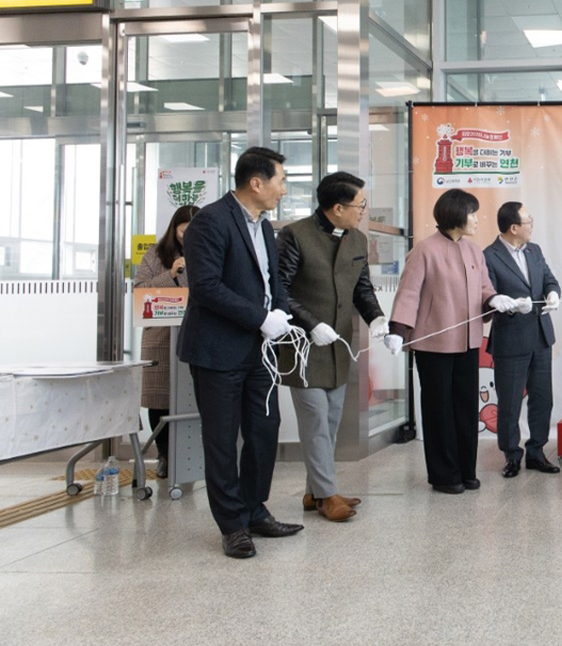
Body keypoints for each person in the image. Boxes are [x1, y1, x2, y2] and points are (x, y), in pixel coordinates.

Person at [177, 146, 302, 559]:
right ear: (256, 182)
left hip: (259, 352)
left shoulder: (264, 226)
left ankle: (253, 508)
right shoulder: (209, 223)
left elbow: (272, 282)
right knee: (222, 439)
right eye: (281, 180)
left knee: (264, 430)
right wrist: (258, 318)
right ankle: (232, 525)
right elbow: (208, 287)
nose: (283, 189)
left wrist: (281, 311)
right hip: (217, 351)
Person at [386, 189, 524, 495]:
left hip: (468, 341)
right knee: (438, 410)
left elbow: (485, 289)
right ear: (456, 215)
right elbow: (408, 293)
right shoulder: (424, 250)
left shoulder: (474, 251)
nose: (476, 219)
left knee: (464, 407)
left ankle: (466, 470)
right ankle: (444, 475)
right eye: (472, 213)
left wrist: (496, 299)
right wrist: (398, 329)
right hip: (433, 344)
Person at [277, 172, 389, 522]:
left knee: (330, 419)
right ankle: (327, 495)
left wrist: (378, 320)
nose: (363, 211)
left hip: (339, 345)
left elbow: (362, 289)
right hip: (303, 345)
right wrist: (310, 323)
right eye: (360, 205)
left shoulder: (356, 239)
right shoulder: (295, 235)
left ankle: (314, 491)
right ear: (337, 207)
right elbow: (281, 290)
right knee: (314, 421)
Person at [483, 202, 562, 479]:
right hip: (510, 339)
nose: (532, 225)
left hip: (540, 336)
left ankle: (537, 452)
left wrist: (553, 294)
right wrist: (505, 303)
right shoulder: (489, 256)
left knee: (542, 398)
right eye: (528, 221)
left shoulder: (534, 250)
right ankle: (511, 455)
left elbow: (550, 280)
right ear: (514, 227)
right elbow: (487, 296)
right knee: (510, 402)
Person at [134, 204, 200, 481]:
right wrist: (170, 274)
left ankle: (192, 457)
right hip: (161, 336)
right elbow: (139, 289)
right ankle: (164, 455)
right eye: (184, 230)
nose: (188, 235)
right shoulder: (156, 254)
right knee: (160, 400)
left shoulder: (209, 251)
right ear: (175, 228)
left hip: (197, 334)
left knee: (194, 397)